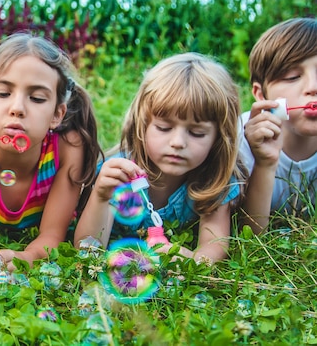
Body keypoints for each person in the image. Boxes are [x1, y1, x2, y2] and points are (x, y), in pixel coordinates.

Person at [0, 33, 102, 271]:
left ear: (57, 114)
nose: (17, 108)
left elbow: (51, 237)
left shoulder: (67, 148)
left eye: (37, 98)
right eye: (3, 94)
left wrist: (24, 257)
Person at [74, 53, 245, 264]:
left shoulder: (212, 181)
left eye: (197, 133)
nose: (178, 142)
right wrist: (101, 196)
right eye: (164, 128)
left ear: (219, 137)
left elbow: (213, 248)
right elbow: (88, 247)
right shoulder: (119, 175)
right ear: (142, 125)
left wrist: (186, 258)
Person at [240, 18, 317, 234]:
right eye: (292, 76)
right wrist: (265, 163)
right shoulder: (238, 140)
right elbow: (250, 240)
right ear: (261, 94)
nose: (313, 87)